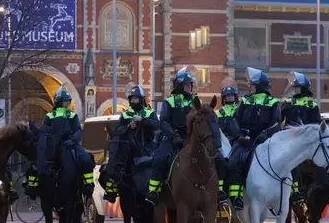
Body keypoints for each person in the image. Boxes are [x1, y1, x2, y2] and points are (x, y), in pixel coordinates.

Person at [146, 67, 226, 206]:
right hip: (172, 139)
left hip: (193, 140)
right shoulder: (169, 102)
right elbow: (164, 123)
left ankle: (218, 191)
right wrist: (174, 136)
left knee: (217, 158)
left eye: (190, 84)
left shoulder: (196, 102)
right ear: (179, 86)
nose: (189, 87)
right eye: (187, 85)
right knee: (159, 159)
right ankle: (154, 192)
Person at [226, 67, 282, 210]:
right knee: (232, 161)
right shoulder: (245, 101)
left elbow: (276, 124)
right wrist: (239, 136)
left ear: (259, 86)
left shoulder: (273, 102)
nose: (249, 87)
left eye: (252, 85)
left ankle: (289, 194)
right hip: (245, 141)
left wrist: (265, 134)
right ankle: (236, 196)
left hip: (265, 142)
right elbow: (234, 120)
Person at [28, 86, 94, 197]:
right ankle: (32, 186)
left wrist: (72, 141)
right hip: (52, 145)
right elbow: (45, 131)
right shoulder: (49, 116)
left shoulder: (73, 115)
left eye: (68, 101)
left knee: (86, 159)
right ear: (59, 102)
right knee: (36, 161)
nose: (67, 104)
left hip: (70, 145)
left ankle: (88, 184)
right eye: (65, 101)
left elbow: (78, 130)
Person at [103, 85, 159, 203]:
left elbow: (156, 126)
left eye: (136, 99)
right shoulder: (125, 114)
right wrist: (128, 126)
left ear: (141, 99)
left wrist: (142, 121)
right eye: (132, 99)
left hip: (147, 147)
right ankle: (111, 190)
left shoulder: (150, 113)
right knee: (113, 162)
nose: (134, 101)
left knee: (157, 163)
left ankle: (154, 191)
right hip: (128, 147)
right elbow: (118, 131)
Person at [280, 71, 321, 204]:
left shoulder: (312, 105)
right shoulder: (287, 103)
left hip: (307, 143)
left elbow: (316, 125)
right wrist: (281, 109)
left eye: (297, 88)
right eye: (294, 88)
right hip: (289, 142)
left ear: (304, 89)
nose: (295, 90)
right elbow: (279, 121)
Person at [215, 79, 241, 204]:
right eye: (227, 96)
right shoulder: (218, 113)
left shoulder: (240, 110)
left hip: (237, 142)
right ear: (223, 98)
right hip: (224, 143)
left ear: (235, 97)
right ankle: (220, 190)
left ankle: (237, 196)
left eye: (232, 95)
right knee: (219, 161)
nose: (230, 97)